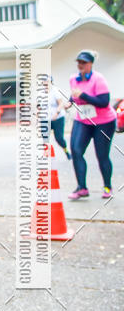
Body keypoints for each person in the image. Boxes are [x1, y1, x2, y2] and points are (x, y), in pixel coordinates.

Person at [67, 50, 116, 200]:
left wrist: (83, 96)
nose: (80, 65)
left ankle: (107, 187)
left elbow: (104, 102)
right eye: (79, 62)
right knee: (76, 150)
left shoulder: (98, 79)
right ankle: (82, 188)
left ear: (91, 64)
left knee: (102, 155)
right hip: (83, 119)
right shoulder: (73, 79)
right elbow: (74, 95)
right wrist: (70, 101)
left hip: (104, 122)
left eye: (84, 62)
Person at [49, 76, 71, 159]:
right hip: (46, 119)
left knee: (59, 138)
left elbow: (61, 103)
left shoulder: (55, 91)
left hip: (58, 118)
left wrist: (56, 113)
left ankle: (66, 152)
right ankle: (46, 156)